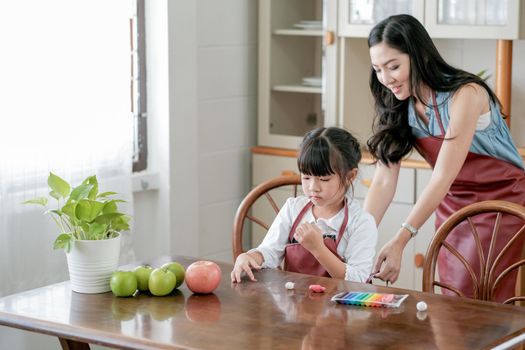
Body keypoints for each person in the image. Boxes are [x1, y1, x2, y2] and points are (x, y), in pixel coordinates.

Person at [364, 14, 525, 300]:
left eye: (393, 67)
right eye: (378, 69)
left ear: (419, 56)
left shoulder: (467, 93)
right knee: (452, 295)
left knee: (484, 298)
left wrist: (401, 239)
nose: (386, 79)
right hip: (452, 206)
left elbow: (442, 175)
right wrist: (360, 236)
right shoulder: (400, 104)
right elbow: (383, 182)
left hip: (503, 205)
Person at [231, 127, 378, 283]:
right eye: (306, 177)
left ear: (350, 176)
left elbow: (358, 280)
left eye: (324, 179)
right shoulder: (293, 209)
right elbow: (270, 251)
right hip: (295, 302)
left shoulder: (361, 223)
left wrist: (318, 249)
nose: (313, 187)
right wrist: (249, 257)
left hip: (340, 305)